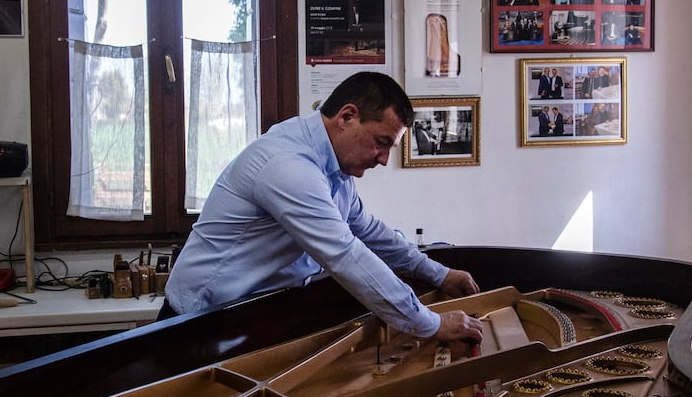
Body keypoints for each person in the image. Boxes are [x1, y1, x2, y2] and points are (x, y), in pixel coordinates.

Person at [161, 71, 483, 344]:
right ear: (347, 117)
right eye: (381, 142)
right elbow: (346, 256)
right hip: (196, 327)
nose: (384, 160)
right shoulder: (289, 165)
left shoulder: (336, 170)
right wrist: (432, 324)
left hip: (250, 317)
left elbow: (369, 232)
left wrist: (439, 274)